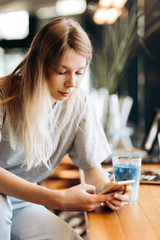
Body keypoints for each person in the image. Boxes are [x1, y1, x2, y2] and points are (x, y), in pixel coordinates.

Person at [0, 17, 131, 240]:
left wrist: (106, 191)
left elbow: (92, 168)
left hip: (24, 200)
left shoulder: (78, 103)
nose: (72, 83)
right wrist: (58, 199)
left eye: (79, 72)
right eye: (62, 72)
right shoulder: (4, 95)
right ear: (38, 66)